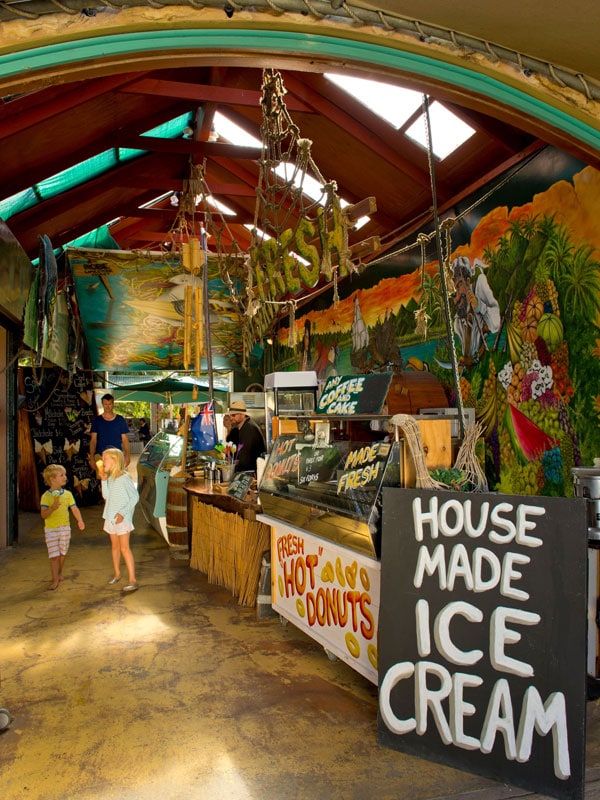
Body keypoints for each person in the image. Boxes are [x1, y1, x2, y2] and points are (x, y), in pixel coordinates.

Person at [96, 447, 139, 592]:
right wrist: (103, 481)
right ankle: (117, 574)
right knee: (115, 547)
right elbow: (107, 496)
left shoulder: (124, 478)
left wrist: (122, 513)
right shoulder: (111, 478)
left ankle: (132, 579)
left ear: (114, 461)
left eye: (105, 458)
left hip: (123, 519)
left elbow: (134, 497)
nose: (102, 462)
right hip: (110, 517)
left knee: (124, 548)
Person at [40, 463, 85, 590]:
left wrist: (80, 520)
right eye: (62, 475)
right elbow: (43, 515)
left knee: (62, 553)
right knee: (54, 556)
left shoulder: (68, 494)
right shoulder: (46, 496)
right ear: (52, 479)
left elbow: (74, 509)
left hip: (65, 528)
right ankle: (55, 579)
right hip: (51, 529)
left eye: (65, 475)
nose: (65, 477)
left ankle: (59, 573)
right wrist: (52, 508)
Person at [451, 256, 501, 366]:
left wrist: (479, 306)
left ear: (468, 281)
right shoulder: (458, 322)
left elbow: (496, 323)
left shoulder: (479, 284)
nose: (457, 296)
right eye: (454, 293)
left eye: (459, 285)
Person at [89, 393, 131, 468]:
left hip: (117, 456)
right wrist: (92, 457)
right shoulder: (97, 421)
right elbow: (93, 440)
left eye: (109, 404)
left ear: (113, 404)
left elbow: (125, 440)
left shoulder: (120, 420)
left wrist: (127, 456)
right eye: (105, 404)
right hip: (101, 456)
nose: (107, 406)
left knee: (117, 478)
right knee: (103, 478)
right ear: (102, 404)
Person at [227, 399, 265, 474]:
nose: (231, 418)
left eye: (234, 415)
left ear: (242, 414)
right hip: (250, 471)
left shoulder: (248, 428)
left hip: (251, 472)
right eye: (230, 415)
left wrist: (236, 464)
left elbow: (246, 460)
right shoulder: (245, 426)